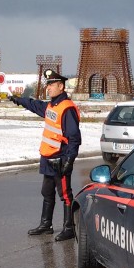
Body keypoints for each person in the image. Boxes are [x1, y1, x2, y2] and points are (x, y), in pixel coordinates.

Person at [7, 69, 82, 241]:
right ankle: (46, 225)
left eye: (51, 85)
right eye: (47, 84)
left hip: (60, 158)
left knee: (64, 194)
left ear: (61, 86)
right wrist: (19, 101)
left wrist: (69, 160)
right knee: (46, 192)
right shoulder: (51, 106)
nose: (48, 88)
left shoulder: (67, 108)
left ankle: (69, 227)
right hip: (48, 157)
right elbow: (35, 105)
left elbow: (74, 137)